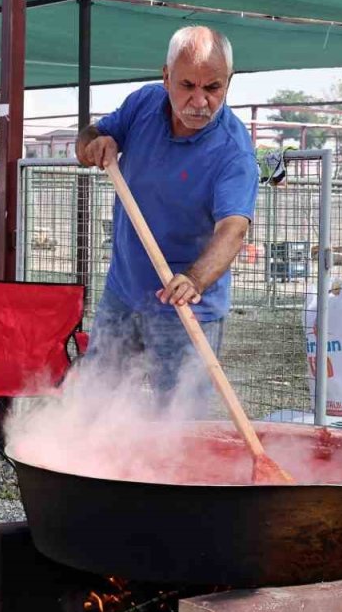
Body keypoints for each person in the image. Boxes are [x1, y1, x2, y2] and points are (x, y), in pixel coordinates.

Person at [75, 25, 258, 411]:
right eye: (187, 85)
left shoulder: (233, 152)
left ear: (229, 82)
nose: (199, 101)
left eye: (213, 88)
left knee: (179, 423)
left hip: (187, 309)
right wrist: (95, 143)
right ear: (165, 77)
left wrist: (194, 280)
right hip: (122, 295)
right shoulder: (144, 104)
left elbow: (233, 229)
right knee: (93, 404)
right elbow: (87, 138)